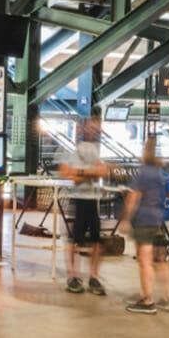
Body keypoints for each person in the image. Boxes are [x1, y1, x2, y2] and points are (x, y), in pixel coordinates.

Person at [120, 137, 169, 314]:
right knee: (158, 259)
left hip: (143, 220)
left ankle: (148, 301)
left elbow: (134, 196)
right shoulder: (161, 172)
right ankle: (163, 296)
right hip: (157, 219)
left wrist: (126, 219)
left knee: (145, 261)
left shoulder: (143, 172)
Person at [58, 117, 110, 295]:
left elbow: (102, 171)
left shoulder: (94, 150)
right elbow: (68, 175)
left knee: (96, 240)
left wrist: (81, 173)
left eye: (96, 128)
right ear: (80, 129)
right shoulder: (69, 150)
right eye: (90, 127)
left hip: (92, 201)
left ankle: (93, 277)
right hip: (76, 200)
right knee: (73, 241)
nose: (94, 131)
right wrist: (90, 173)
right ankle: (73, 276)